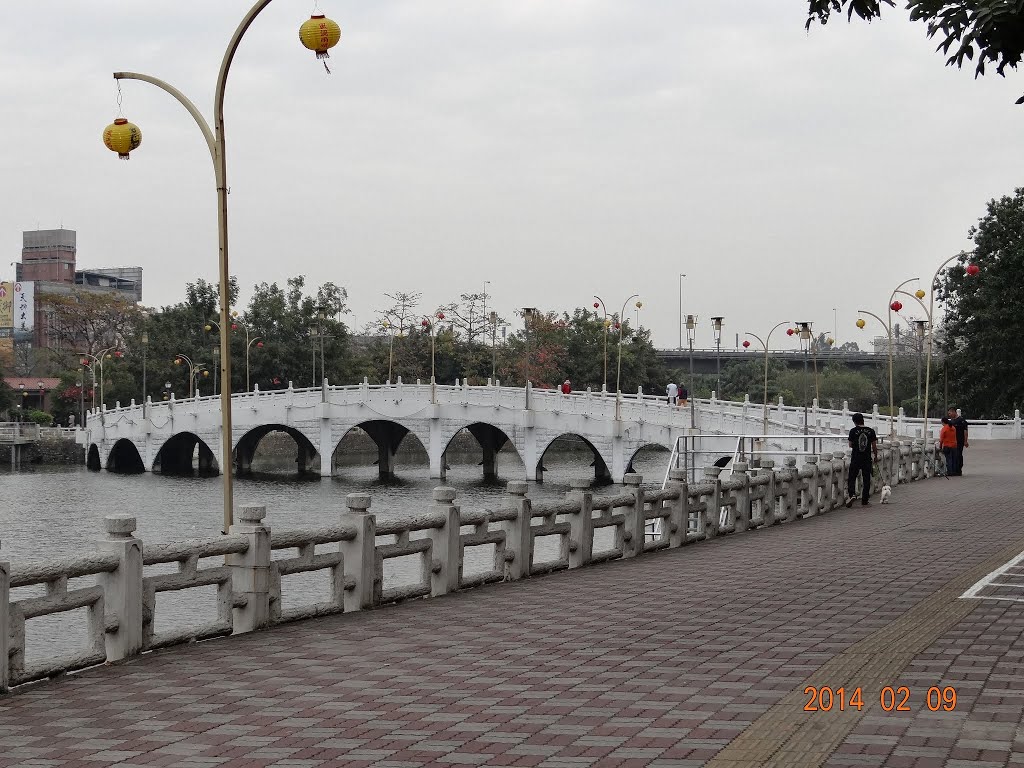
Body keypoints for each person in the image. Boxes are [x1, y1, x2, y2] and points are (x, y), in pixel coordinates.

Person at [846, 412, 878, 507]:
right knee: (866, 478)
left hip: (856, 458)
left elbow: (850, 445)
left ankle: (852, 494)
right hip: (866, 458)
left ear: (854, 422)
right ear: (863, 420)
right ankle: (865, 500)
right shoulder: (871, 431)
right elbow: (874, 446)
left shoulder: (852, 431)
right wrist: (875, 456)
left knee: (852, 477)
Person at [947, 407, 969, 476]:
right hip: (952, 442)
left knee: (958, 455)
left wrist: (965, 441)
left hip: (960, 441)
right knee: (953, 456)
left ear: (954, 412)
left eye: (950, 413)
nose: (949, 415)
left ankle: (959, 470)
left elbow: (965, 431)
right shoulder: (951, 421)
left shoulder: (961, 420)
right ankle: (953, 470)